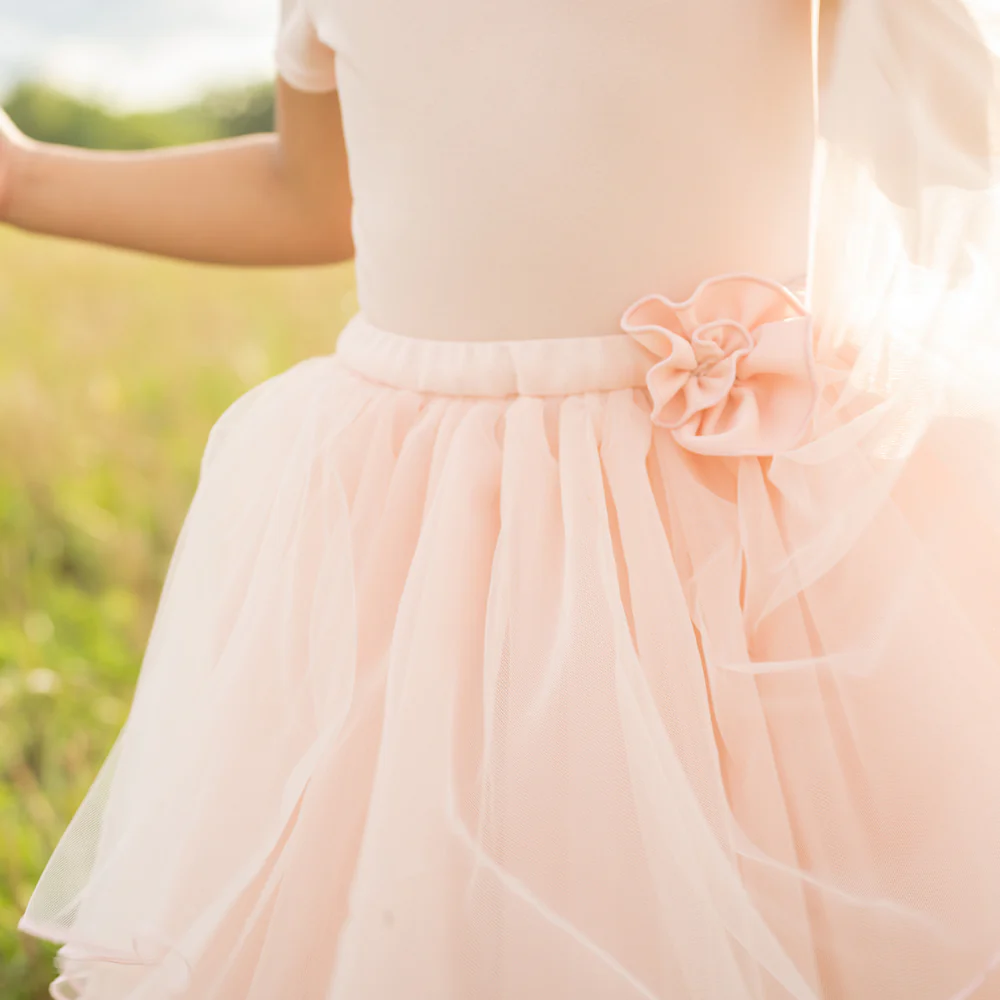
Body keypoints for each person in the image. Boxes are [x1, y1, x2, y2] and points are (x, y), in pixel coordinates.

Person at [7, 0, 1000, 996]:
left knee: (776, 865)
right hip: (427, 517)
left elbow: (954, 132)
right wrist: (27, 177)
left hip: (728, 495)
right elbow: (309, 192)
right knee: (442, 884)